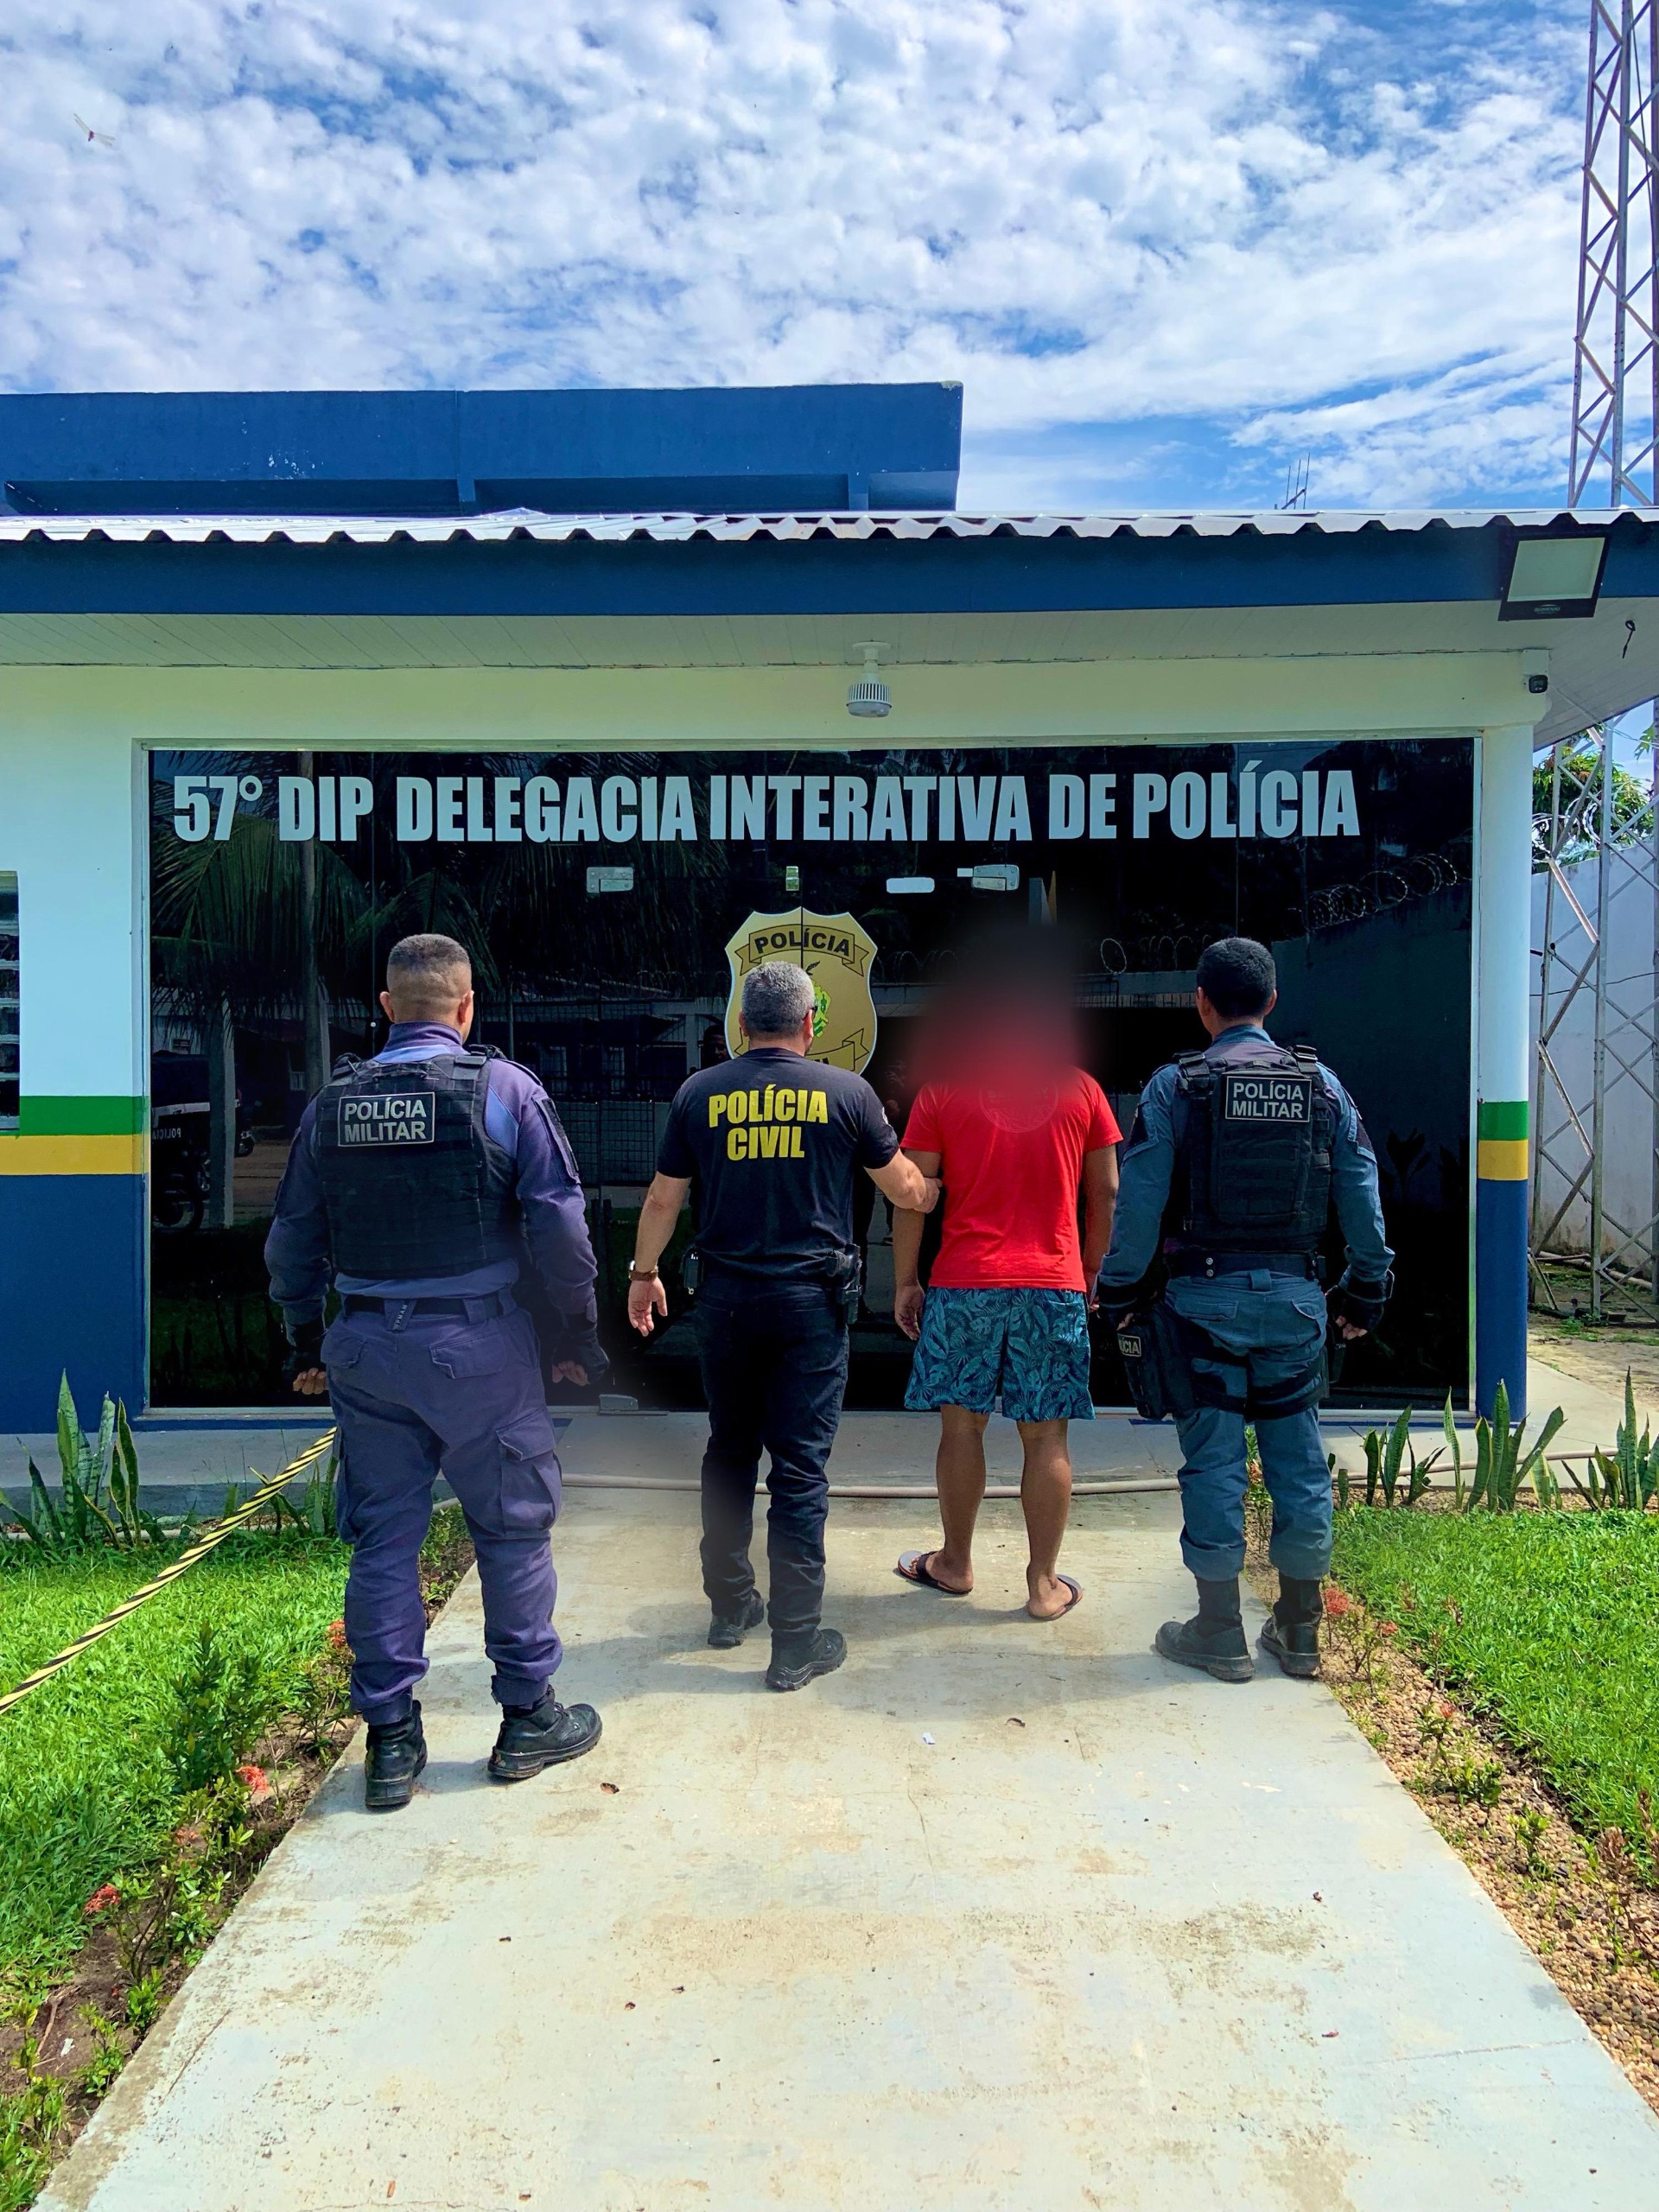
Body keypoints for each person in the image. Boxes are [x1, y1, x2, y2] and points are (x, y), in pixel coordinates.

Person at [265, 932, 607, 1811]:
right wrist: (576, 1331)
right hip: (478, 1348)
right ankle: (527, 1717)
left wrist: (304, 1341)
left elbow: (293, 1240)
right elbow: (561, 1229)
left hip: (365, 1349)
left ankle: (390, 1743)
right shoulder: (505, 1091)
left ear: (386, 1007)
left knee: (384, 1539)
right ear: (466, 1007)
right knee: (512, 1529)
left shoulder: (330, 1105)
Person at [626, 961, 939, 1691]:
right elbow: (903, 1187)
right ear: (809, 1024)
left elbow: (664, 1200)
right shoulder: (848, 1093)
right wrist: (936, 1189)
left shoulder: (699, 1092)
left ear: (741, 1025)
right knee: (799, 1469)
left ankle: (730, 1606)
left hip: (726, 1301)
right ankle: (796, 1643)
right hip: (810, 1306)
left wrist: (643, 1275)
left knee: (729, 1450)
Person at [1095, 936, 1393, 1683]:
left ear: (1201, 1002)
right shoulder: (1323, 1086)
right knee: (1299, 1466)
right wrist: (1367, 1286)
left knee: (1214, 1464)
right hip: (1297, 1309)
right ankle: (1300, 1630)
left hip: (1202, 1307)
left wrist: (1120, 1291)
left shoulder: (1175, 1087)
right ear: (1272, 1002)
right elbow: (1362, 1190)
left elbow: (1139, 1202)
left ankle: (1219, 1630)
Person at [891, 947, 1120, 1620]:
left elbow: (912, 1195)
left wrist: (906, 1280)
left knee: (961, 1429)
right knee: (1047, 1439)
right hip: (1052, 1283)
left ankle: (955, 1563)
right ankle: (1043, 1586)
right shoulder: (1082, 1091)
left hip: (965, 1283)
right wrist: (1089, 1268)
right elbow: (1106, 1190)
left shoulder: (941, 1092)